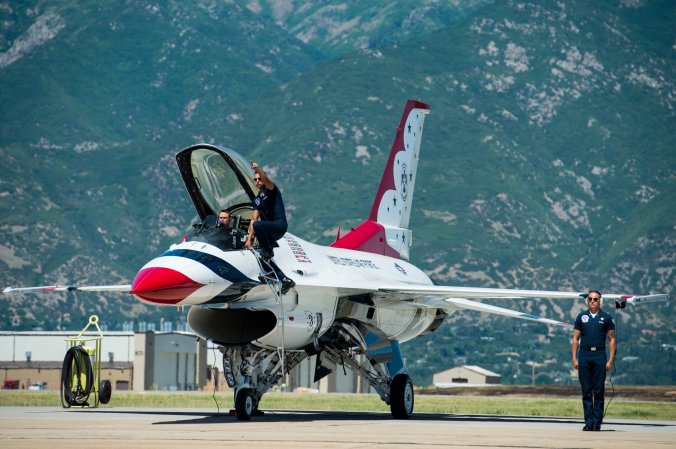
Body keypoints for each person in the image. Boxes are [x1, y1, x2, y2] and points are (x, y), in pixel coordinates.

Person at [571, 290, 616, 431]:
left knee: (598, 390)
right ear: (587, 301)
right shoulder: (581, 317)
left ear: (600, 301)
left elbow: (612, 339)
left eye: (595, 299)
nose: (592, 301)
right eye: (590, 299)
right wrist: (574, 358)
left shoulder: (607, 318)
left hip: (600, 355)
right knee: (586, 390)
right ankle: (588, 422)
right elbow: (575, 338)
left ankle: (597, 422)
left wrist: (610, 360)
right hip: (584, 355)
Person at [244, 162, 288, 262]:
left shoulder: (272, 190)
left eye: (260, 179)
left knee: (258, 225)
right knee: (265, 258)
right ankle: (268, 257)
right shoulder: (257, 200)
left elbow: (267, 181)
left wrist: (257, 169)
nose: (258, 181)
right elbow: (253, 220)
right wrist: (248, 240)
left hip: (279, 226)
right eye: (255, 179)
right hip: (269, 231)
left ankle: (268, 251)